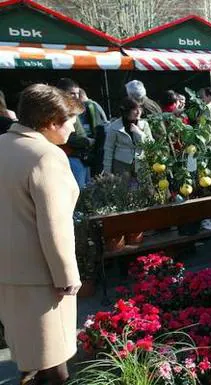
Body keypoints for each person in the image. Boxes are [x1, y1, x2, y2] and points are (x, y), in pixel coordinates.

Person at [0, 84, 84, 385]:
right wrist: (67, 277)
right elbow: (54, 225)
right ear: (51, 122)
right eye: (71, 121)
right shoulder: (46, 156)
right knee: (54, 365)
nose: (74, 129)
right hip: (42, 278)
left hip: (7, 275)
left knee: (27, 358)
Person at [57, 78, 93, 188]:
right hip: (71, 157)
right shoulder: (60, 111)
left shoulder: (73, 109)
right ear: (62, 93)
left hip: (81, 157)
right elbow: (66, 137)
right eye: (72, 94)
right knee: (79, 194)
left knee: (86, 192)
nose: (76, 97)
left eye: (77, 94)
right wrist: (88, 141)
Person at [103, 97, 153, 177]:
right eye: (135, 109)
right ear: (126, 111)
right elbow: (108, 149)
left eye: (140, 108)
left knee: (146, 188)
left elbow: (151, 144)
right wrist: (107, 170)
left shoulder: (144, 124)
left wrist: (139, 133)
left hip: (141, 163)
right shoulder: (114, 127)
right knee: (123, 189)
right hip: (121, 164)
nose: (138, 112)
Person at [78, 88, 108, 176]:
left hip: (95, 146)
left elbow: (98, 127)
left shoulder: (90, 106)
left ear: (81, 96)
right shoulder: (94, 105)